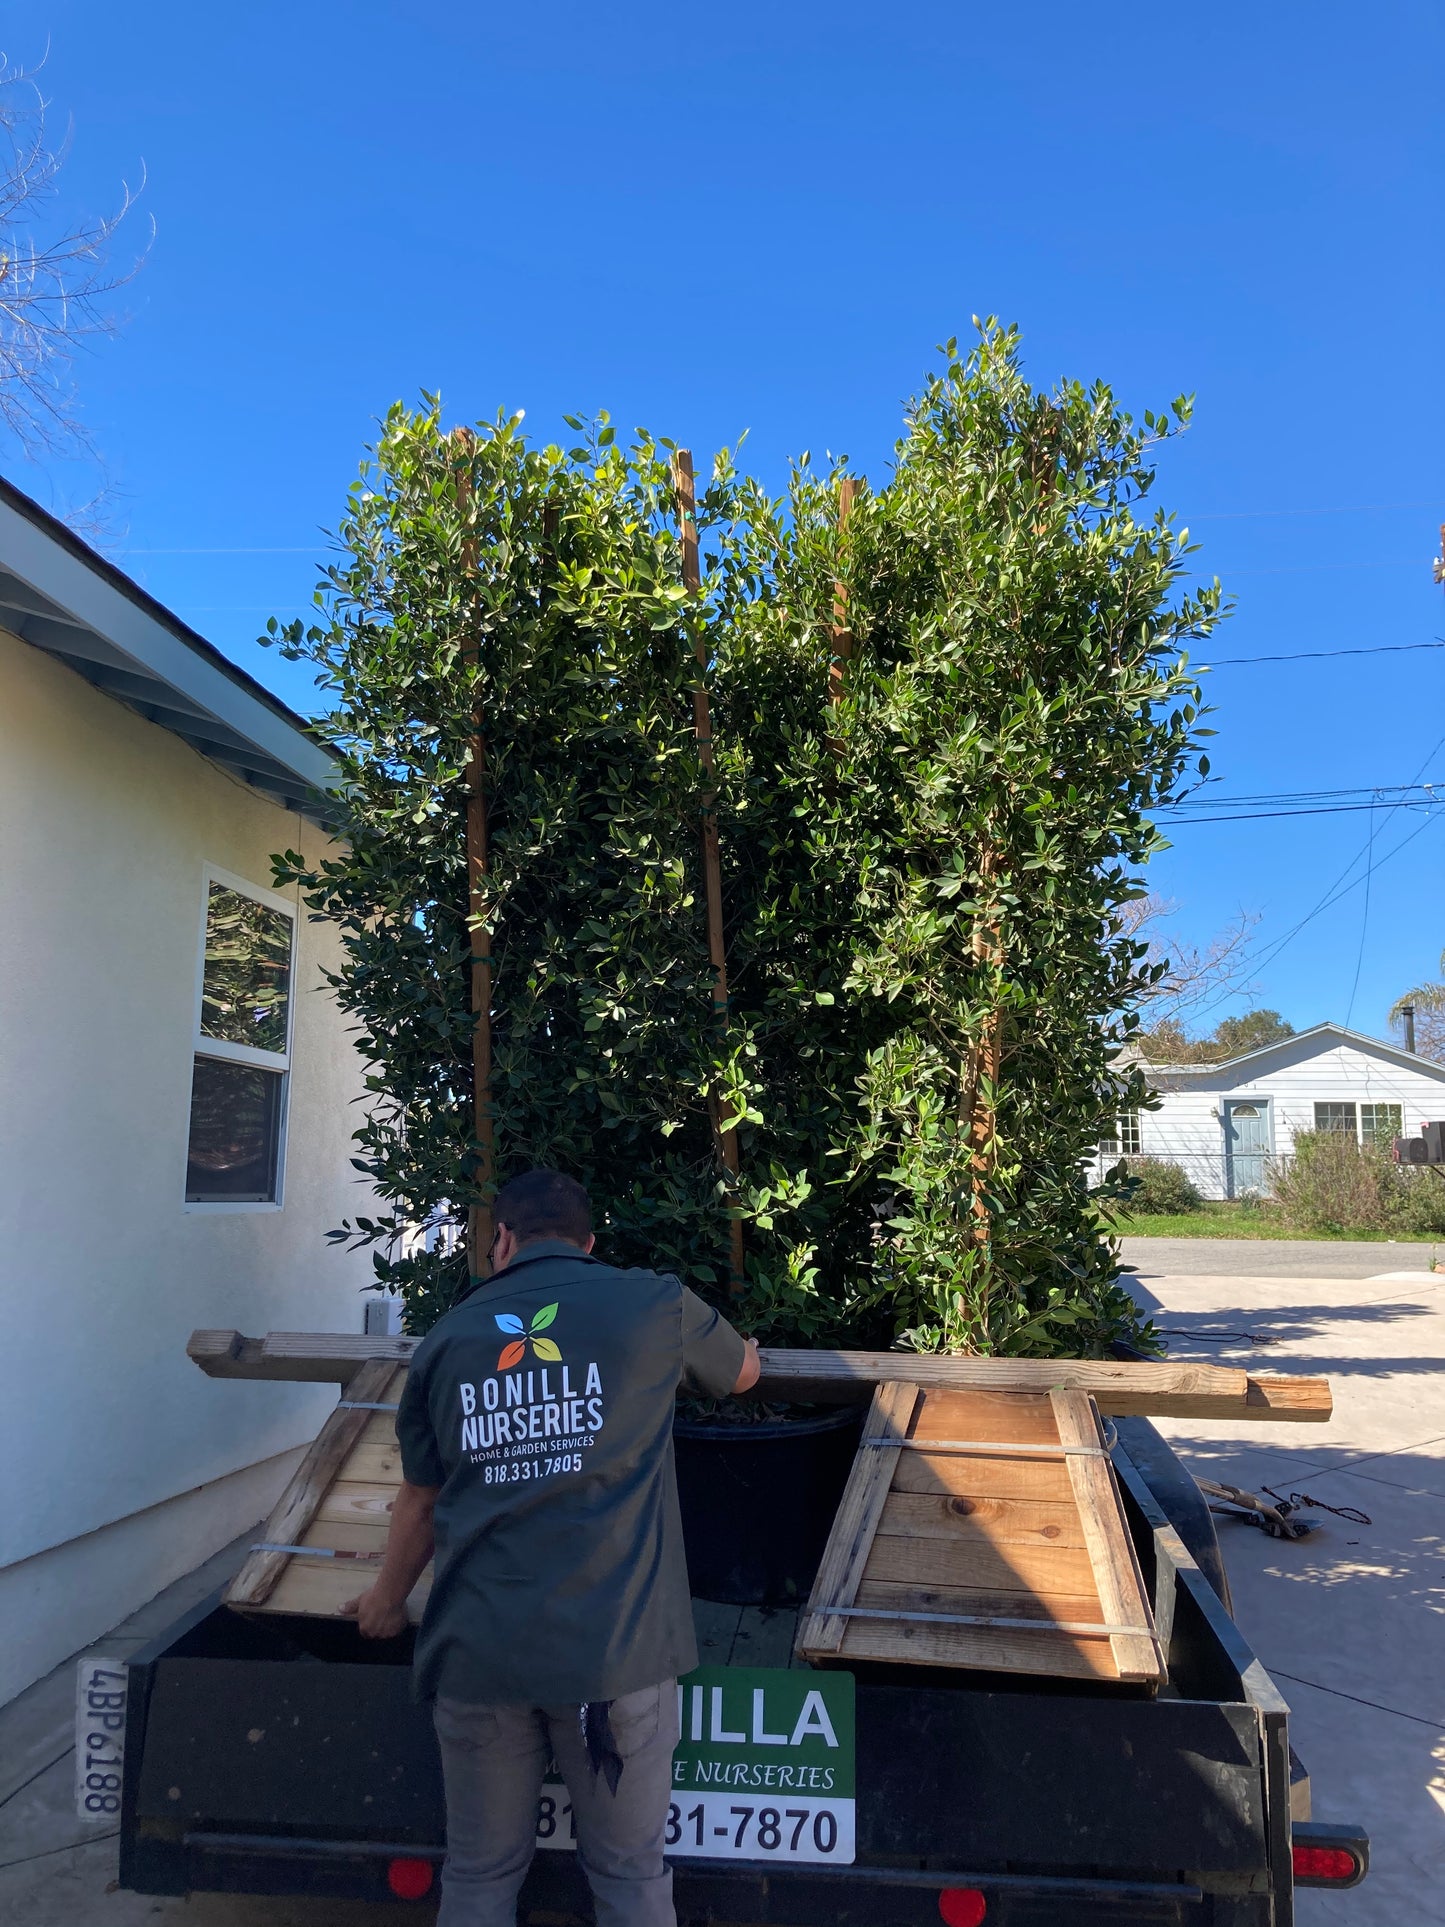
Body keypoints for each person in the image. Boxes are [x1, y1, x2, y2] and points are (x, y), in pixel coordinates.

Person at [346, 1168, 759, 1927]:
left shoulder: (446, 1339)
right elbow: (740, 1374)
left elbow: (420, 1500)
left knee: (478, 1873)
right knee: (629, 1878)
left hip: (478, 1654)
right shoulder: (652, 1301)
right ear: (589, 1243)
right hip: (613, 1657)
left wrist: (382, 1602)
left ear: (499, 1241)